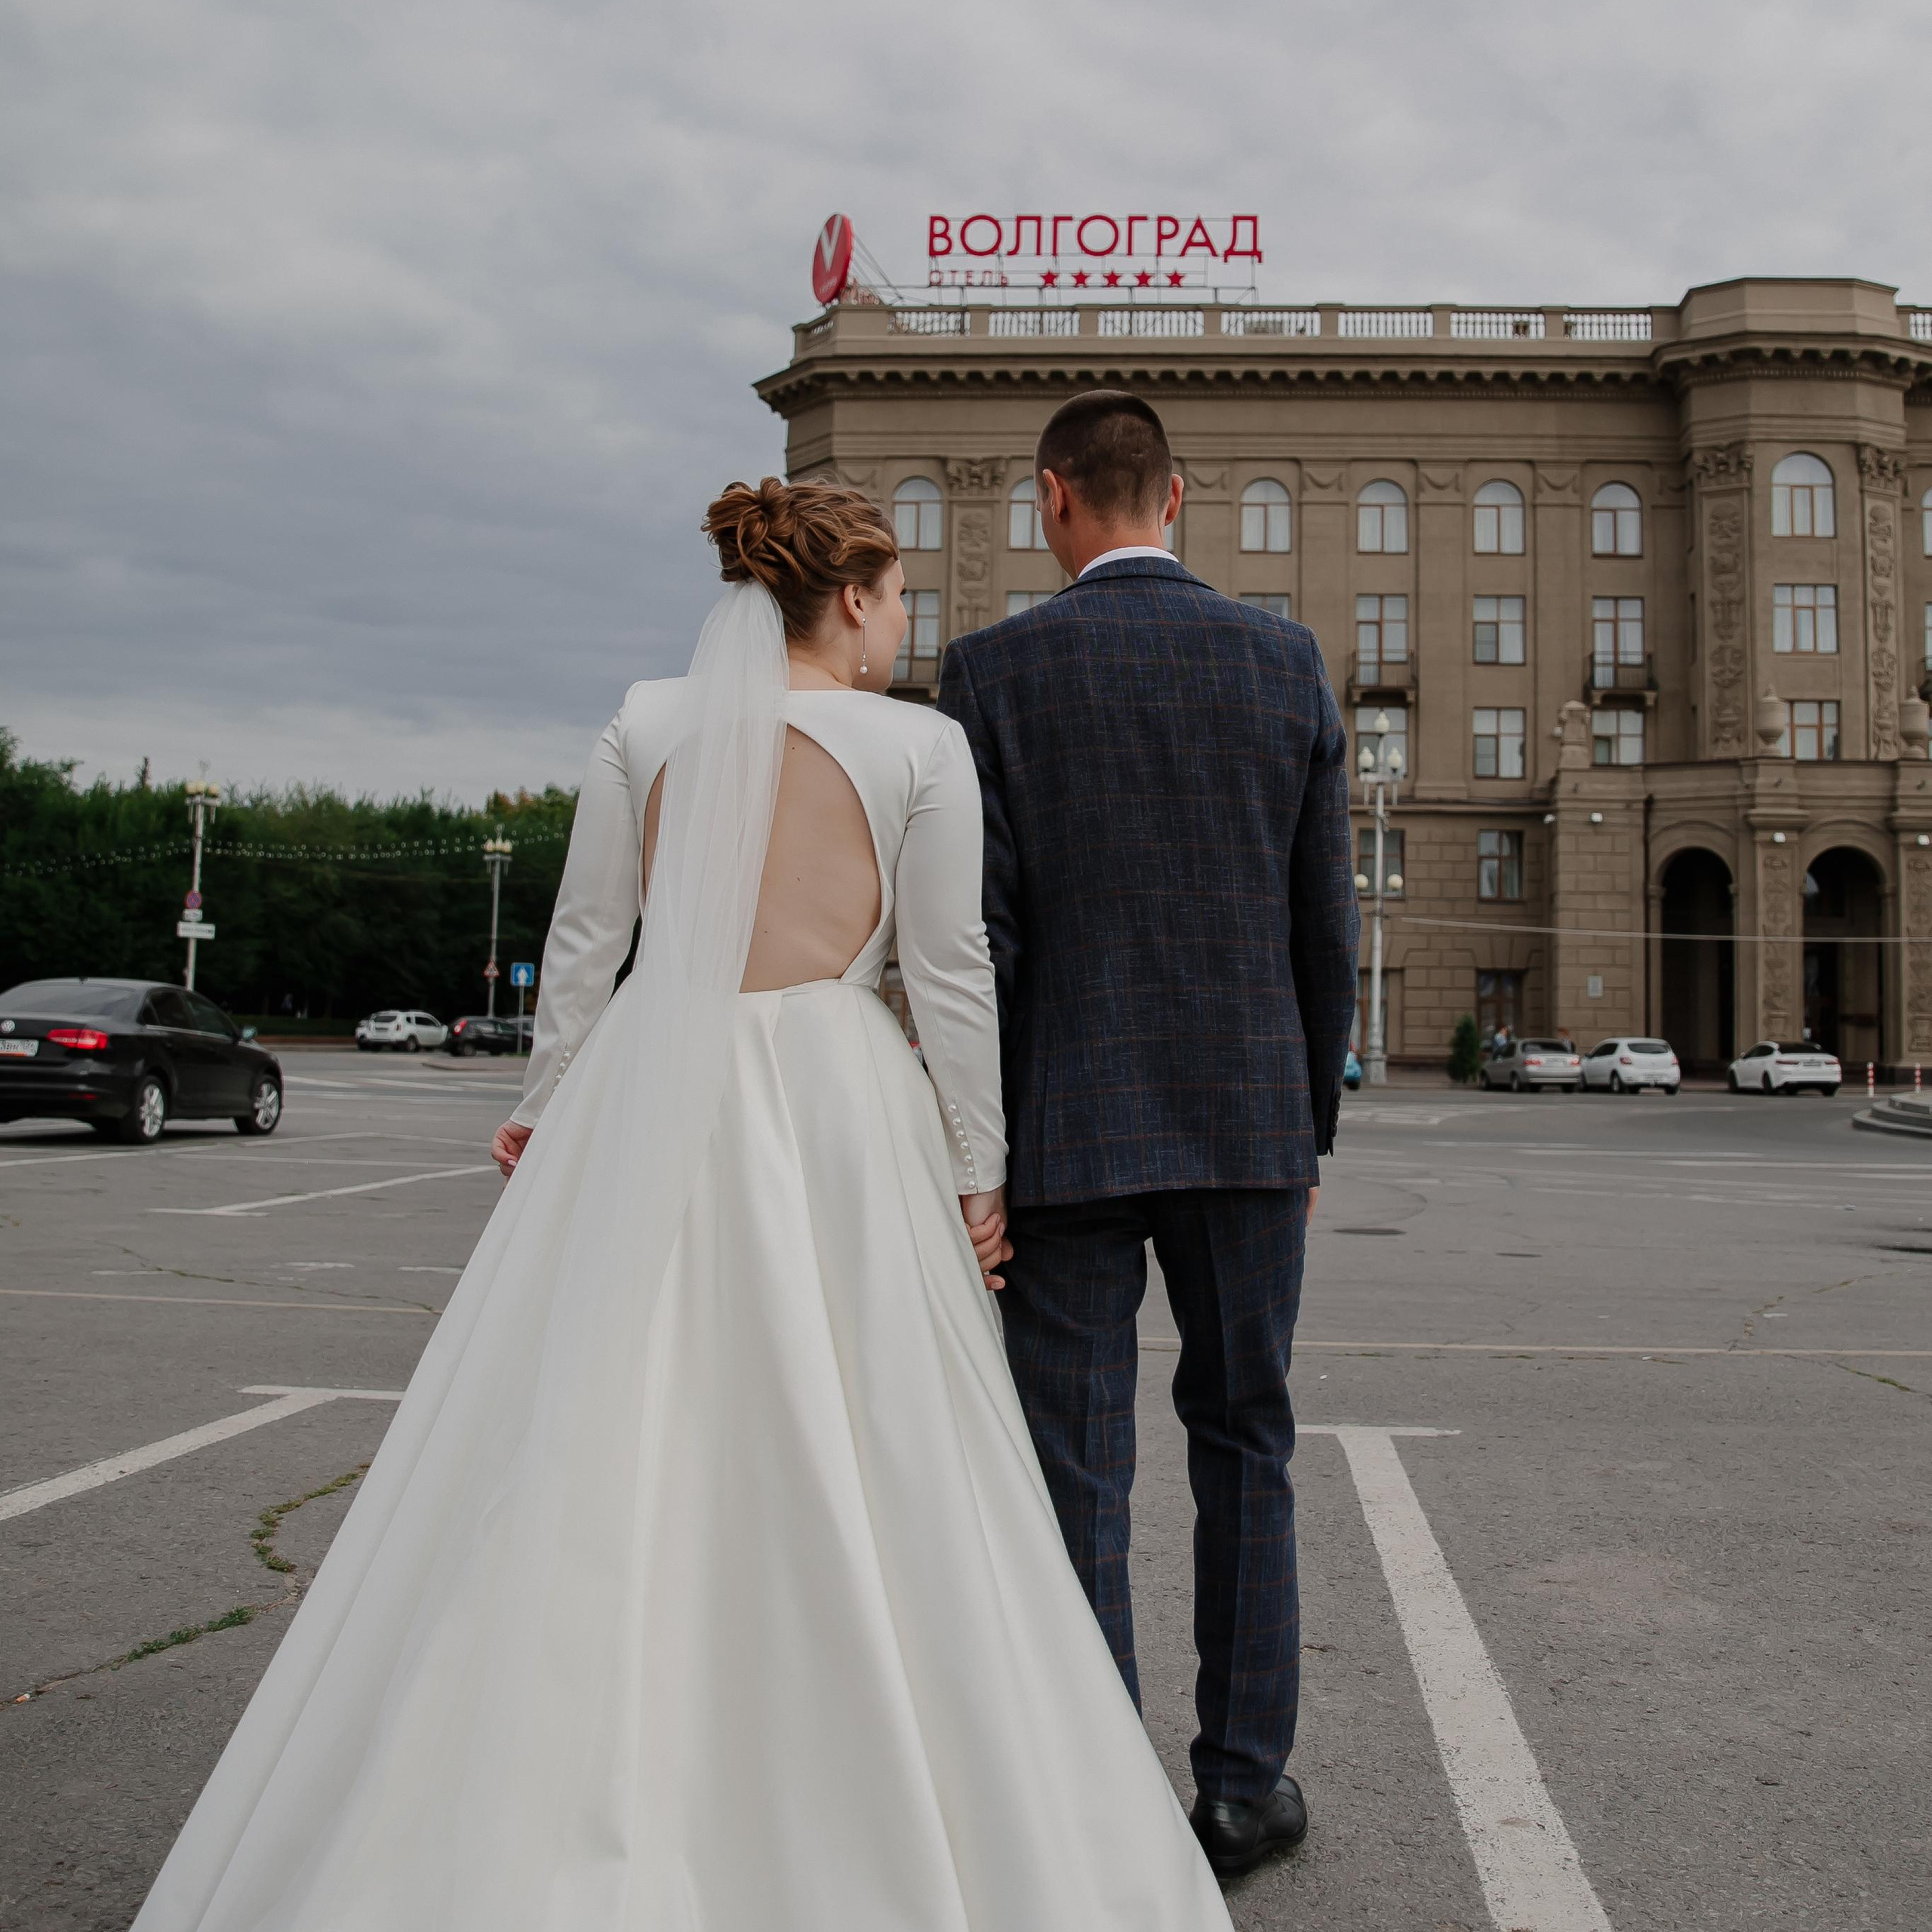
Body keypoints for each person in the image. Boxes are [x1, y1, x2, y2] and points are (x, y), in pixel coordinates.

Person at [128, 480, 1230, 1932]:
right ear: (848, 598)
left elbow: (584, 944)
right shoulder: (919, 744)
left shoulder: (644, 721)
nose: (905, 623)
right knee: (875, 1435)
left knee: (609, 1420)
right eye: (898, 596)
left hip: (653, 1080)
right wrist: (982, 1172)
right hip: (839, 1104)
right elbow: (952, 976)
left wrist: (544, 1104)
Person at [938, 392, 1359, 1879]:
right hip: (1247, 1121)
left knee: (1077, 1463)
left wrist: (973, 1152)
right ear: (1172, 498)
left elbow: (977, 936)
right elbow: (1325, 928)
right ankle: (1242, 1786)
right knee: (1246, 1435)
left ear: (1051, 500)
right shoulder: (1284, 661)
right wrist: (1302, 1130)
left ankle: (1094, 1790)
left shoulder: (988, 670)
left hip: (1064, 1126)